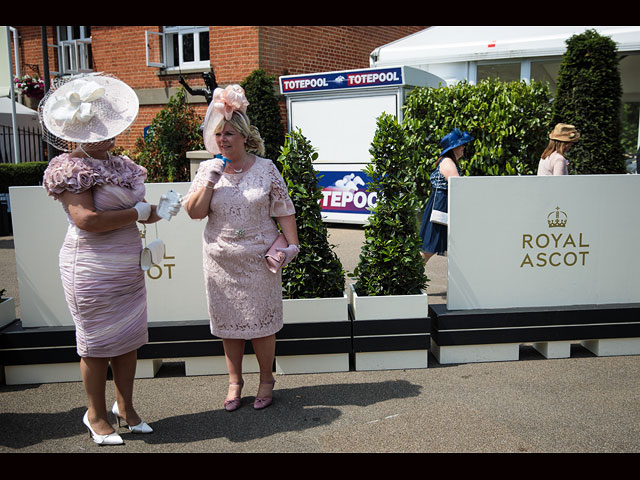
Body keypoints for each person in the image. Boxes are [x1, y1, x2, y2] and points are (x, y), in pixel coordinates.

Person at [40, 74, 181, 445]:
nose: (107, 137)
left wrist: (162, 209)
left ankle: (126, 407)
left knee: (128, 340)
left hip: (126, 269)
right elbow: (86, 220)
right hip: (89, 268)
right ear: (76, 132)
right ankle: (95, 415)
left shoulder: (122, 165)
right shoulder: (69, 168)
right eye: (97, 131)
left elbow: (141, 211)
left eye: (108, 129)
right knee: (96, 344)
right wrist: (138, 213)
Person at [183, 85, 299, 411]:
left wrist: (293, 245)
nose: (223, 140)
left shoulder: (266, 169)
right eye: (219, 134)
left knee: (262, 325)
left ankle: (266, 379)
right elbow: (194, 213)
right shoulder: (208, 169)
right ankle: (235, 381)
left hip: (260, 260)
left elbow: (284, 209)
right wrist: (208, 181)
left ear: (245, 136)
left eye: (230, 134)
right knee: (229, 325)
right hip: (220, 261)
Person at [419, 128, 474, 263]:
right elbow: (457, 186)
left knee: (430, 247)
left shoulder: (447, 161)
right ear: (453, 148)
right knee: (429, 248)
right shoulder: (448, 162)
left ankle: (411, 276)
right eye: (461, 145)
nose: (463, 147)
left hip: (441, 205)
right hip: (441, 206)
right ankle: (409, 276)